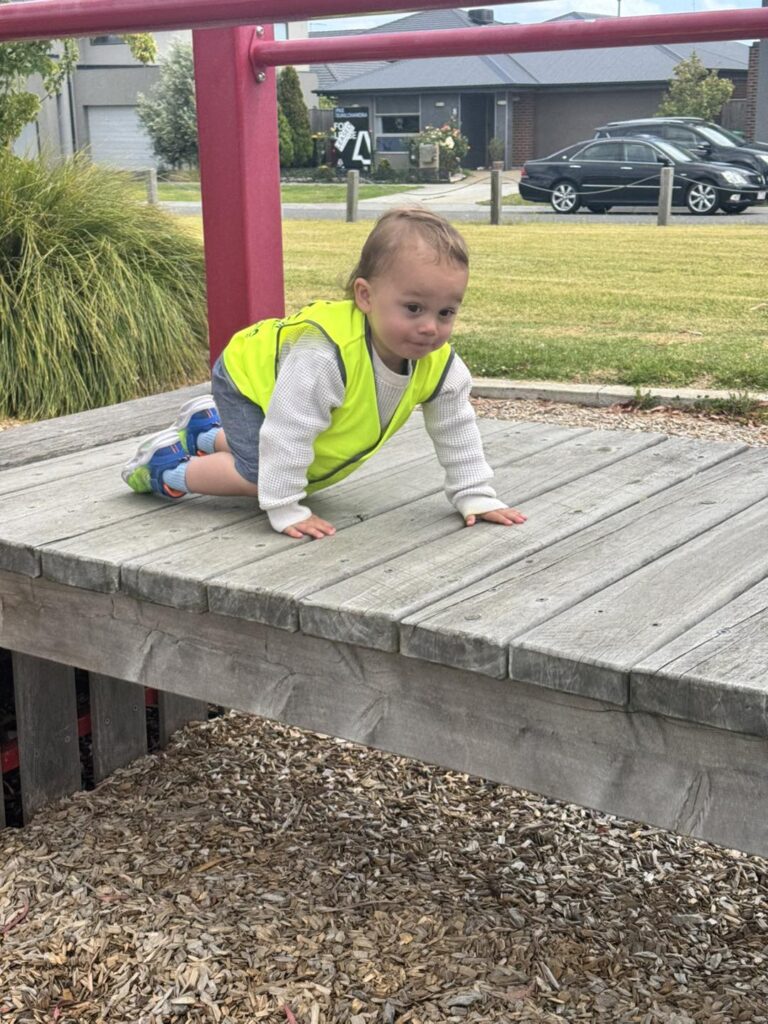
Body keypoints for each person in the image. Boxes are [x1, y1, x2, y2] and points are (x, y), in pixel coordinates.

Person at [122, 207, 527, 540]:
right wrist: (284, 504)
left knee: (292, 456)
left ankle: (205, 431)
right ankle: (164, 467)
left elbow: (456, 428)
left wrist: (475, 493)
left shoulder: (440, 366)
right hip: (246, 379)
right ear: (365, 296)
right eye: (413, 308)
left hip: (283, 392)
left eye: (446, 312)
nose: (429, 327)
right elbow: (287, 431)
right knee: (259, 473)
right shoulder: (327, 355)